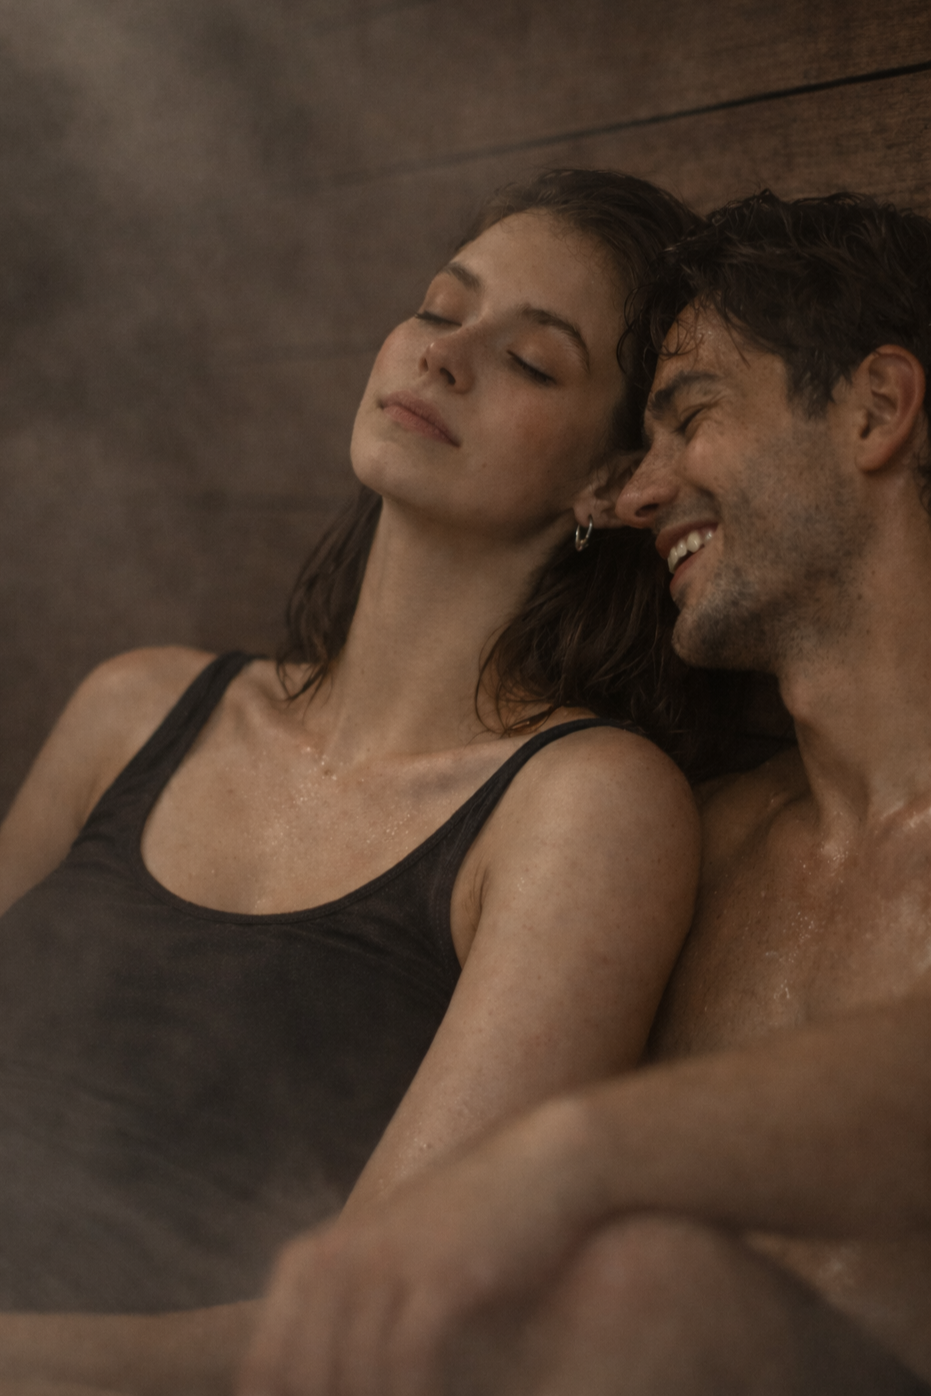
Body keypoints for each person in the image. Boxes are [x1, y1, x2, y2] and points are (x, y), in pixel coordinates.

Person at [0, 171, 716, 1391]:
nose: (445, 357)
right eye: (441, 308)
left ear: (608, 484)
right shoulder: (134, 709)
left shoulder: (582, 807)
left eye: (532, 362)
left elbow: (375, 1328)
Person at [240, 189, 931, 1396]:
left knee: (632, 1278)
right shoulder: (692, 846)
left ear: (876, 407)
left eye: (692, 418)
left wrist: (571, 1159)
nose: (640, 494)